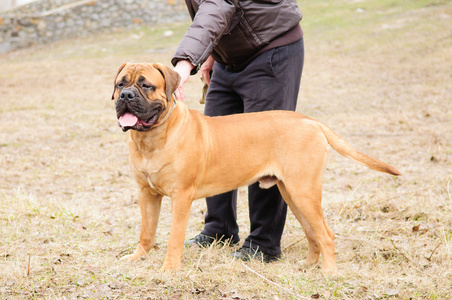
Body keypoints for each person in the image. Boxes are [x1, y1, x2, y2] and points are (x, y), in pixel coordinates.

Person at [171, 0, 304, 262]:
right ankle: (219, 229)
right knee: (213, 144)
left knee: (266, 148)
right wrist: (211, 54)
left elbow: (218, 5)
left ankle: (263, 243)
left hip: (271, 48)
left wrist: (186, 62)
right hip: (228, 59)